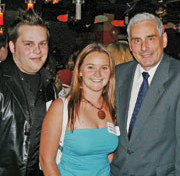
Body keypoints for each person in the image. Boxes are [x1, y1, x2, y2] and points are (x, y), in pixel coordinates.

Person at [110, 12, 180, 176]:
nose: (144, 47)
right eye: (137, 41)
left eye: (151, 38)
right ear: (130, 46)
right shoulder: (118, 74)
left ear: (164, 40)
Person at [40, 43, 119, 176]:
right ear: (80, 71)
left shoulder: (111, 107)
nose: (98, 74)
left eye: (104, 68)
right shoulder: (61, 107)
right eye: (90, 67)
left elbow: (107, 156)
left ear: (110, 72)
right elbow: (46, 160)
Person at [0, 9, 57, 176]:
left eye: (42, 43)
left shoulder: (49, 85)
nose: (38, 50)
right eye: (28, 44)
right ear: (12, 46)